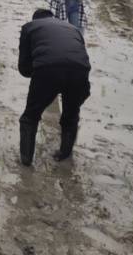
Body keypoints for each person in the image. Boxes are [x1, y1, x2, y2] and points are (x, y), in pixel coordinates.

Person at [17, 9, 92, 166]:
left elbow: (23, 67)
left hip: (48, 69)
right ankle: (64, 154)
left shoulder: (29, 27)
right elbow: (80, 54)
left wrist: (38, 75)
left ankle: (26, 160)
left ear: (34, 19)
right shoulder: (73, 29)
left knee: (30, 117)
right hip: (80, 70)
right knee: (71, 115)